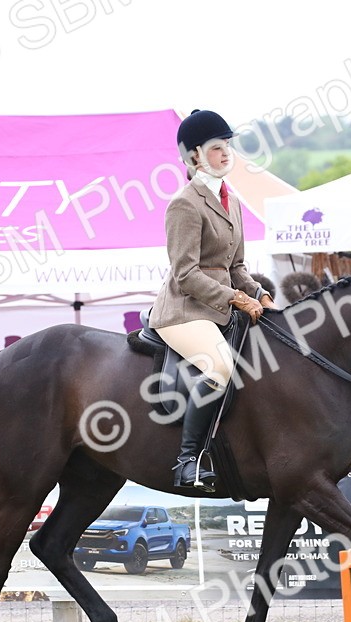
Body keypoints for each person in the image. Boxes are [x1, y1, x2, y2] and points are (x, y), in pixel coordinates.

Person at [149, 110, 275, 491]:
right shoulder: (184, 204)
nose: (226, 155)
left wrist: (261, 296)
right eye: (217, 148)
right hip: (184, 313)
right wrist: (237, 298)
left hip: (221, 308)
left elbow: (235, 265)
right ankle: (188, 461)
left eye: (227, 147)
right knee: (220, 367)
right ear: (194, 157)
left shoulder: (232, 202)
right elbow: (185, 275)